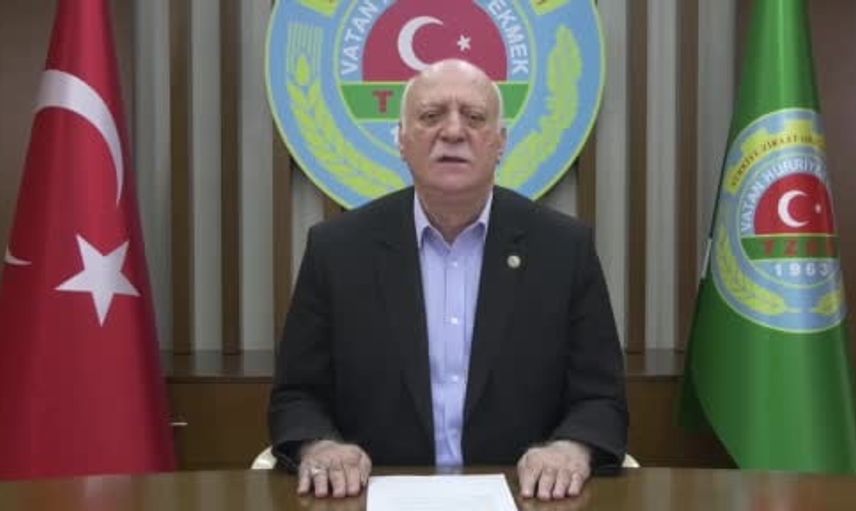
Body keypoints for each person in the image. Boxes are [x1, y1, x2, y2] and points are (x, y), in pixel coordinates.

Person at [268, 59, 627, 501]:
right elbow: (297, 396)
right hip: (371, 495)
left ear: (500, 142)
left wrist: (570, 449)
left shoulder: (564, 249)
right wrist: (321, 446)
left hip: (527, 498)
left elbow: (601, 398)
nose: (453, 131)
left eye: (474, 117)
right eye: (431, 116)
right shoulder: (337, 250)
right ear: (401, 140)